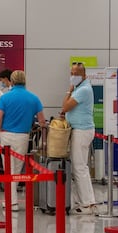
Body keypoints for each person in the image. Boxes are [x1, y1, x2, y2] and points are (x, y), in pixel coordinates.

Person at [0, 70, 46, 211]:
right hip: (23, 136)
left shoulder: (5, 98)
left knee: (8, 169)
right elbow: (42, 121)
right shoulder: (34, 98)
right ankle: (12, 201)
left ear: (11, 80)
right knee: (17, 169)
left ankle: (11, 201)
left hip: (6, 135)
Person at [61, 62, 96, 215]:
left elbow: (65, 106)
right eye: (71, 73)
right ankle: (87, 201)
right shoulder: (81, 88)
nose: (73, 76)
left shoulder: (83, 90)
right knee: (81, 167)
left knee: (79, 168)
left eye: (76, 74)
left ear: (84, 75)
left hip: (82, 131)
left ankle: (87, 203)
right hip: (80, 130)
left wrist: (68, 91)